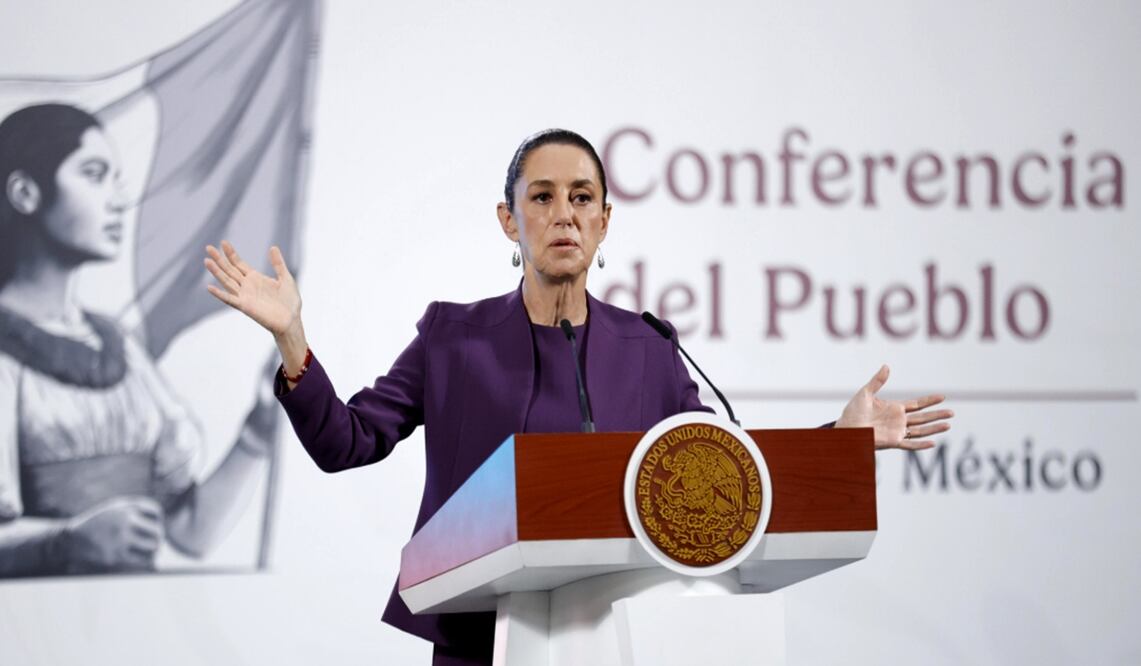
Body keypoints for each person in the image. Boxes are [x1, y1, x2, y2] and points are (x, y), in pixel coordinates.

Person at [204, 128, 953, 665]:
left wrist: (838, 439)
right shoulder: (450, 338)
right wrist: (293, 339)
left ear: (603, 222)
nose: (563, 213)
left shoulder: (648, 345)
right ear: (510, 219)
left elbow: (719, 477)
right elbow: (346, 442)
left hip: (626, 634)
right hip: (480, 637)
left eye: (582, 197)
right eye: (542, 196)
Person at [0, 103, 276, 577]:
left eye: (115, 178)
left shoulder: (120, 348)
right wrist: (66, 542)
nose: (117, 200)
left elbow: (191, 532)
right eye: (93, 174)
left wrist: (263, 423)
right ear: (25, 192)